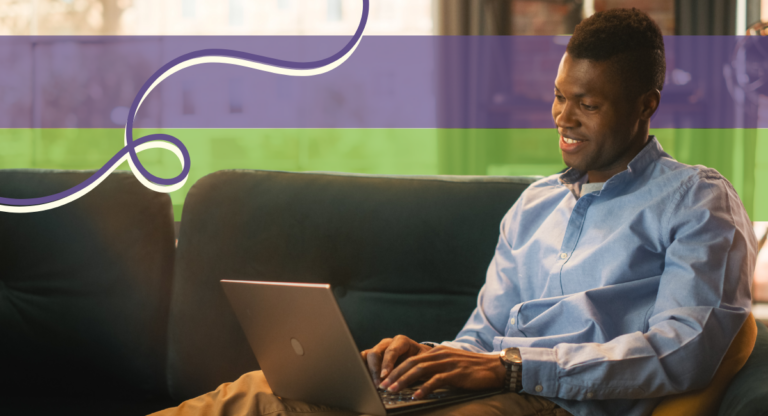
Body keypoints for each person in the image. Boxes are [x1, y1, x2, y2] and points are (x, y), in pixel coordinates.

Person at [152, 8, 755, 416]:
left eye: (588, 104)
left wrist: (515, 370)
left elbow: (685, 347)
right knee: (257, 396)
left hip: (557, 404)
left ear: (645, 105)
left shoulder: (696, 200)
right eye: (558, 97)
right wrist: (420, 357)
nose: (563, 119)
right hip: (491, 387)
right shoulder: (533, 207)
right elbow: (481, 339)